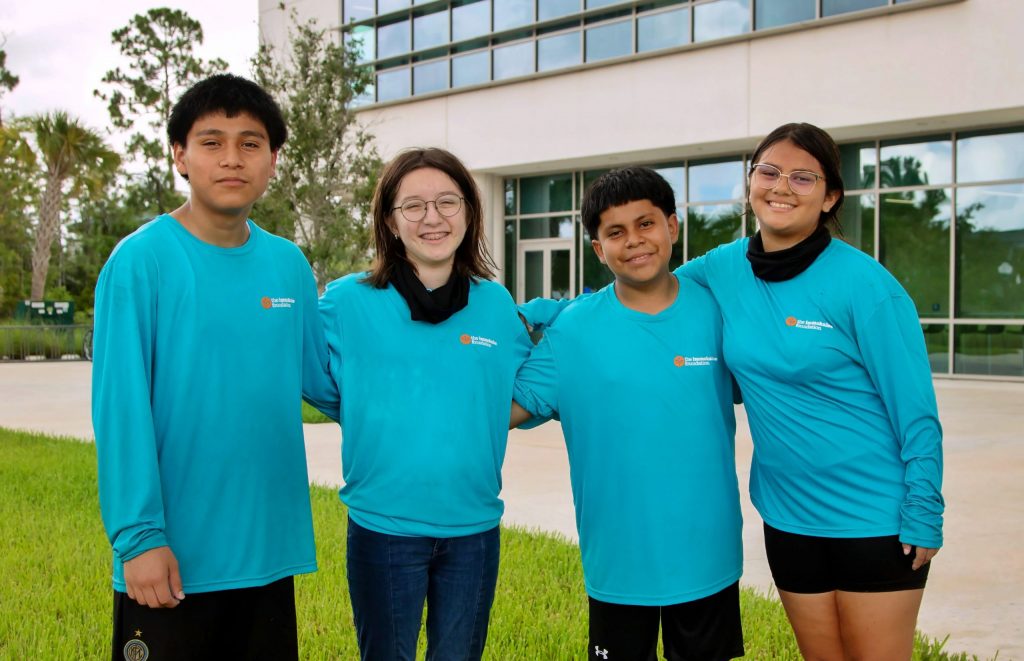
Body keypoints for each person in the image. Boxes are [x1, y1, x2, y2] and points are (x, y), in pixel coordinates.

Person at [677, 122, 944, 660]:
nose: (781, 187)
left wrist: (925, 510)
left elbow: (916, 412)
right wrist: (544, 315)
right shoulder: (723, 267)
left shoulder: (866, 285)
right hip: (788, 515)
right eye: (769, 171)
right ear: (750, 182)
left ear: (830, 197)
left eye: (803, 177)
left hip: (875, 517)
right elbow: (644, 295)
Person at [92, 74, 336, 660]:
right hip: (171, 560)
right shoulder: (140, 262)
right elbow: (120, 410)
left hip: (267, 555)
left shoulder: (287, 264)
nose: (233, 158)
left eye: (251, 143)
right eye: (212, 141)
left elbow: (328, 383)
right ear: (179, 154)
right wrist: (139, 538)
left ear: (274, 159)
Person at [511, 167, 745, 661]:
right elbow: (503, 410)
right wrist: (492, 327)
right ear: (598, 249)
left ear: (673, 228)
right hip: (619, 557)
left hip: (707, 551)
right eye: (615, 232)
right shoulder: (571, 331)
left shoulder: (718, 313)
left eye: (646, 224)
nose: (634, 241)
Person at [312, 148, 533, 660]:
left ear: (470, 213)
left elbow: (523, 385)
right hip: (383, 528)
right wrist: (369, 408)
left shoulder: (496, 305)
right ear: (390, 222)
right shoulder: (346, 302)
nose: (432, 218)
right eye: (413, 206)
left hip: (472, 530)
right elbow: (310, 376)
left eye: (447, 202)